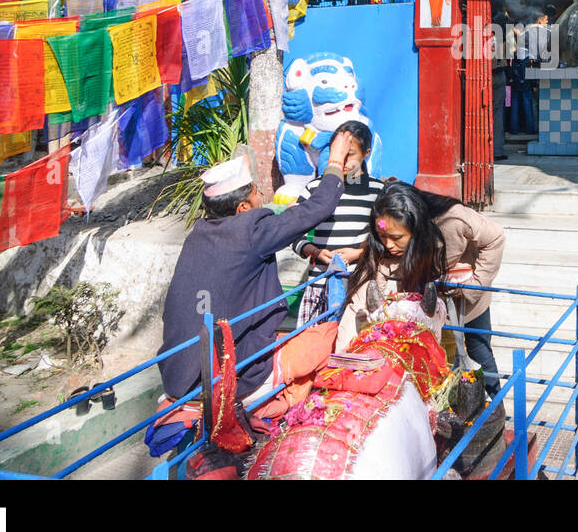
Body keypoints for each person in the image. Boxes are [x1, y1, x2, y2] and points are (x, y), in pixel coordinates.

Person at [157, 133, 353, 404]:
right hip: (225, 380)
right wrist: (335, 159)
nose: (263, 195)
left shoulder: (198, 233)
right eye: (257, 192)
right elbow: (319, 207)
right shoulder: (251, 230)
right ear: (243, 207)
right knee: (321, 345)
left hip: (177, 376)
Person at [340, 183, 505, 394]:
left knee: (479, 351)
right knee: (432, 361)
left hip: (466, 300)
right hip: (423, 308)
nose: (388, 245)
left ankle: (495, 409)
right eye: (383, 237)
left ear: (416, 225)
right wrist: (347, 355)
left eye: (397, 238)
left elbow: (496, 237)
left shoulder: (453, 220)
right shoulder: (389, 234)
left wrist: (475, 285)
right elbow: (366, 290)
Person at [291, 120, 384, 329]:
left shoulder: (378, 192)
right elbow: (293, 233)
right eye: (338, 154)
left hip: (361, 286)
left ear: (366, 153)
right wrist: (314, 251)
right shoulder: (315, 188)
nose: (342, 161)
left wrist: (358, 253)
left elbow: (387, 241)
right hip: (320, 285)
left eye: (349, 155)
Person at [491, 12, 510, 161]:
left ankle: (482, 150)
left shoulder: (485, 34)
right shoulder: (506, 38)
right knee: (498, 113)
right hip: (500, 74)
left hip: (483, 75)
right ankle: (497, 150)